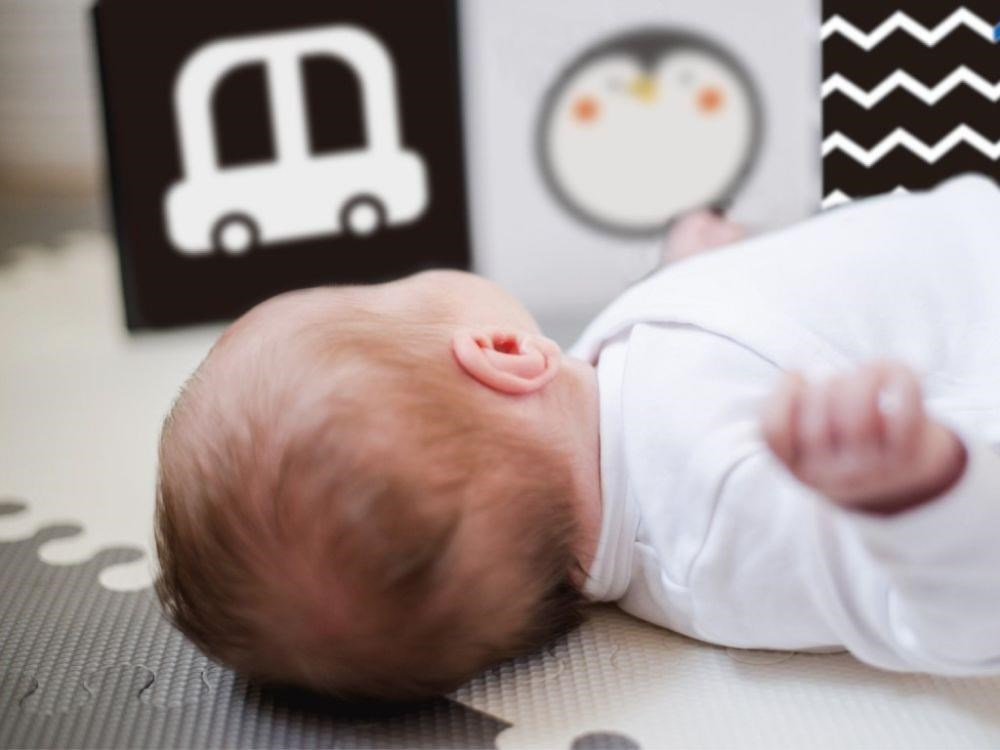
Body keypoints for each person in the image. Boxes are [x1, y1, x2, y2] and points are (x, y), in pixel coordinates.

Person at [154, 174, 1000, 701]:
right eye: (382, 292)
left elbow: (708, 355)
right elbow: (965, 618)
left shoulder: (602, 403)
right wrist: (916, 494)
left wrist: (692, 272)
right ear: (502, 353)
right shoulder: (718, 530)